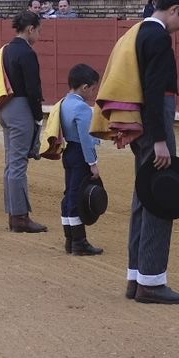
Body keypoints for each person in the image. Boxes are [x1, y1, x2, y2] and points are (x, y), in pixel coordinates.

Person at [127, 0, 179, 303]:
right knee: (161, 194)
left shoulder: (139, 32)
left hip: (141, 121)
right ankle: (152, 282)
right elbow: (155, 93)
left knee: (144, 194)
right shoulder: (158, 38)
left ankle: (136, 276)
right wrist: (159, 140)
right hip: (154, 123)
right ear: (173, 10)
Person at [0, 11, 47, 234]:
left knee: (11, 162)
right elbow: (33, 89)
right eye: (38, 30)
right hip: (21, 109)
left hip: (6, 108)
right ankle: (19, 217)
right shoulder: (27, 53)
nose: (39, 34)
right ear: (30, 29)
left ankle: (13, 214)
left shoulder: (7, 49)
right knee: (18, 164)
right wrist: (38, 115)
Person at [58, 64, 105, 257]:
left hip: (68, 152)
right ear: (85, 87)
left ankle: (70, 239)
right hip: (79, 154)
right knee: (77, 196)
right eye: (93, 88)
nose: (94, 92)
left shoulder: (63, 103)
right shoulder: (82, 108)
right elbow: (86, 140)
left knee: (70, 193)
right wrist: (92, 163)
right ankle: (79, 242)